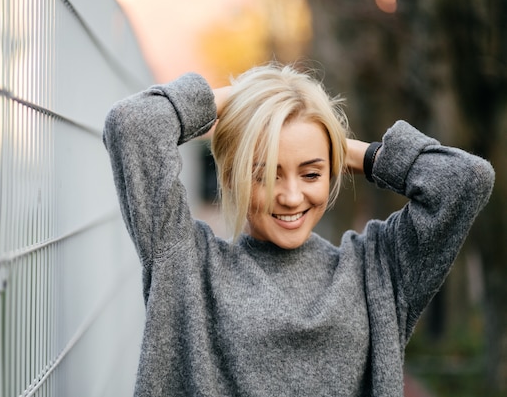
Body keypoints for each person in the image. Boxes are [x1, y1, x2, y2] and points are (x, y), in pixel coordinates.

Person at [102, 63, 494, 397]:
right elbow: (132, 125)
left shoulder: (377, 271)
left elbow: (465, 179)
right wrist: (248, 96)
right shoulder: (186, 263)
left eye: (311, 173)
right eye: (265, 174)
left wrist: (352, 151)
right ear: (232, 176)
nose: (291, 196)